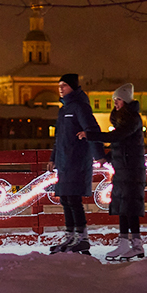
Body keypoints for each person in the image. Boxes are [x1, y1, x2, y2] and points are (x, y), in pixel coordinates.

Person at [77, 83, 146, 260]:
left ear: (126, 101)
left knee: (130, 207)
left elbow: (116, 137)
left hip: (132, 171)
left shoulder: (132, 119)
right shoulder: (123, 120)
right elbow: (120, 146)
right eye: (115, 100)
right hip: (123, 170)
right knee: (122, 207)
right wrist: (106, 158)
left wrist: (90, 135)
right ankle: (123, 243)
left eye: (119, 100)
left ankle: (137, 245)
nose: (115, 103)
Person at [47, 73, 106, 254]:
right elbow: (59, 138)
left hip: (77, 160)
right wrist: (53, 158)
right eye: (59, 85)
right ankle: (70, 237)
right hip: (64, 162)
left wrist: (99, 155)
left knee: (73, 199)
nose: (61, 88)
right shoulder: (64, 109)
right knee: (65, 198)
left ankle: (82, 238)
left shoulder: (80, 107)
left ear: (73, 87)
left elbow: (92, 130)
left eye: (64, 85)